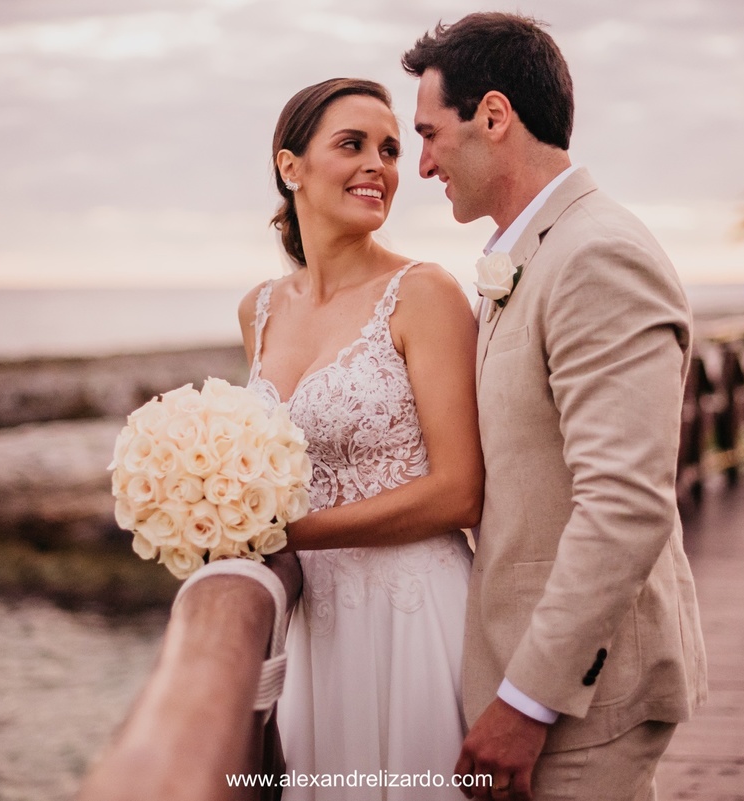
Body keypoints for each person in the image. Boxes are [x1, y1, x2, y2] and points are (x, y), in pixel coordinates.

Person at [402, 13, 707, 800]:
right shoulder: (539, 251)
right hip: (539, 672)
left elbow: (626, 503)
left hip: (584, 698)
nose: (423, 163)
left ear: (495, 116)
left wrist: (527, 699)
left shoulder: (596, 254)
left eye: (430, 133)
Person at [237, 78, 484, 799]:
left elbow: (460, 489)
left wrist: (290, 532)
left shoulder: (425, 293)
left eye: (391, 150)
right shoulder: (258, 310)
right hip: (316, 627)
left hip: (414, 614)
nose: (378, 165)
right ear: (292, 167)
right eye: (352, 145)